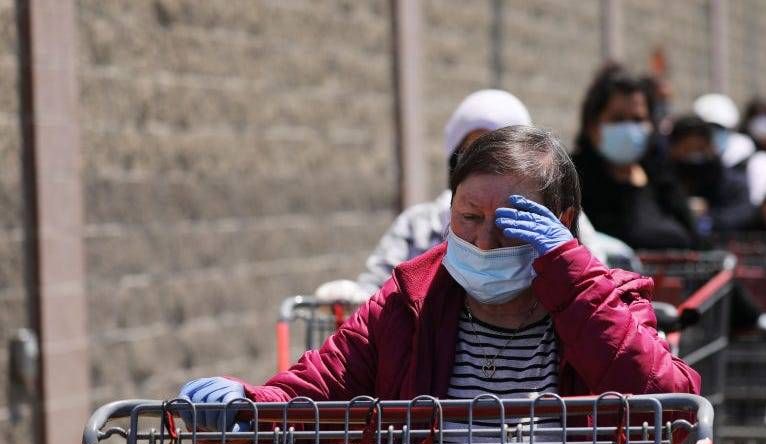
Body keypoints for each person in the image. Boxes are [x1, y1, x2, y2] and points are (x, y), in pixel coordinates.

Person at [181, 124, 699, 417]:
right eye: (468, 218)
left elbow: (671, 409)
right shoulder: (408, 301)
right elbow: (319, 384)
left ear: (560, 223)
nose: (483, 241)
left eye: (511, 224)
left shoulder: (611, 300)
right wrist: (249, 402)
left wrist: (571, 276)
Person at [316, 89, 637, 304]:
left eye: (501, 154)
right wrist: (354, 297)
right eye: (470, 217)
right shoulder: (420, 224)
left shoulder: (558, 222)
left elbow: (595, 288)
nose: (484, 243)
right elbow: (376, 293)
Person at [573, 64, 701, 250]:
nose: (629, 129)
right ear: (592, 126)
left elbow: (695, 238)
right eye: (618, 119)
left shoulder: (660, 175)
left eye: (638, 119)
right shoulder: (573, 184)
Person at [667, 114, 756, 234]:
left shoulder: (733, 183)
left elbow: (743, 214)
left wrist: (707, 217)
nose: (694, 156)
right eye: (687, 150)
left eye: (700, 149)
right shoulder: (663, 182)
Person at [693, 93, 766, 206]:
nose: (711, 135)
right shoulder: (691, 160)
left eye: (718, 128)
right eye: (705, 130)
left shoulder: (755, 160)